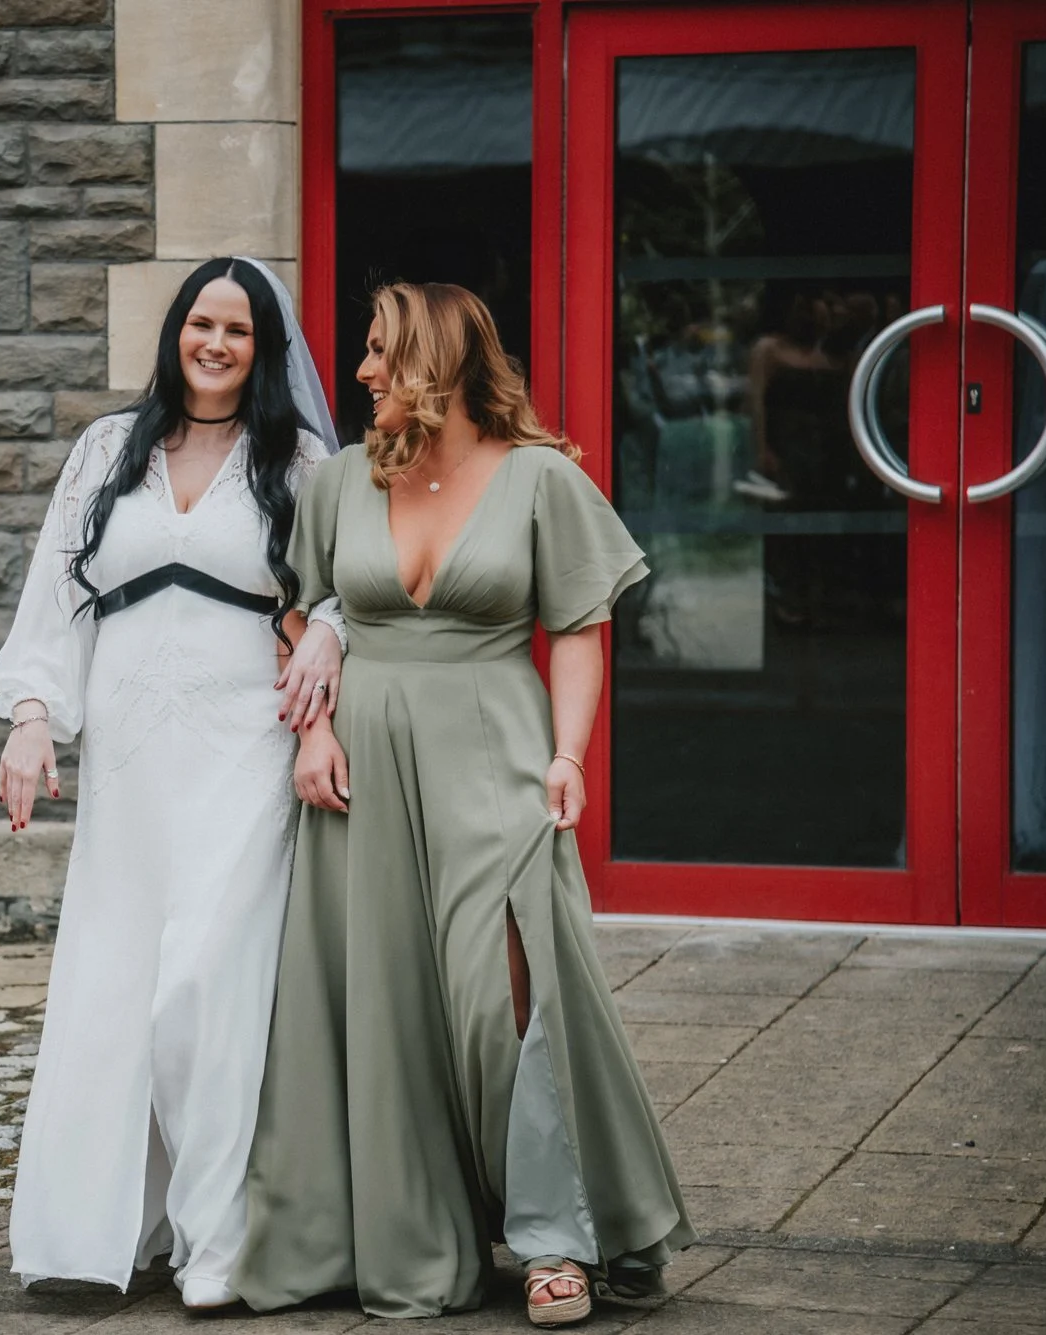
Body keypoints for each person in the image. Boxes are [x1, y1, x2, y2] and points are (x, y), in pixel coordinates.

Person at [235, 283, 695, 1326]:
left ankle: (551, 1239)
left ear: (438, 366)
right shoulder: (341, 481)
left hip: (496, 748)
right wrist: (309, 732)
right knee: (384, 1002)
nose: (359, 373)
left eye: (379, 355)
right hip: (361, 771)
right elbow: (298, 613)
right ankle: (405, 1238)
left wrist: (568, 757)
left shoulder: (541, 478)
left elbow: (578, 626)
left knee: (504, 1000)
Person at [0, 256, 345, 1308]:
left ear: (262, 349)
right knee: (108, 985)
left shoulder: (301, 460)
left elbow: (349, 582)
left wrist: (325, 633)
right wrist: (30, 718)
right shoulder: (108, 447)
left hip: (244, 752)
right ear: (176, 331)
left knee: (203, 986)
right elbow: (55, 590)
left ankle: (218, 1245)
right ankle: (83, 1238)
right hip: (129, 765)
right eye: (202, 322)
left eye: (238, 330)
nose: (216, 344)